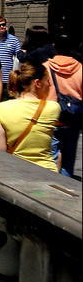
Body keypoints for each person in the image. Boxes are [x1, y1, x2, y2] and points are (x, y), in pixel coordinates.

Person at [0, 62, 60, 172]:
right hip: (47, 173)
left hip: (15, 172)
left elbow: (0, 152)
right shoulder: (53, 108)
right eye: (47, 81)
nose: (50, 85)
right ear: (37, 83)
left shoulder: (0, 109)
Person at [44, 34, 82, 177]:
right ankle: (66, 186)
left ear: (54, 47)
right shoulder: (80, 69)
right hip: (73, 118)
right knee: (68, 158)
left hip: (51, 117)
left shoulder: (45, 68)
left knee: (51, 156)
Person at [0, 16, 21, 100]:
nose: (2, 27)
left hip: (8, 80)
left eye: (3, 24)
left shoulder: (13, 40)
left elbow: (20, 57)